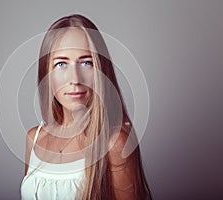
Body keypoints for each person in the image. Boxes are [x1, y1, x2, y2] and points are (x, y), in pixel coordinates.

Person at [20, 14, 152, 200]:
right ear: (46, 74)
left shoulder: (114, 144)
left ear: (101, 71)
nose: (75, 78)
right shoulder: (34, 138)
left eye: (86, 62)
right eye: (61, 64)